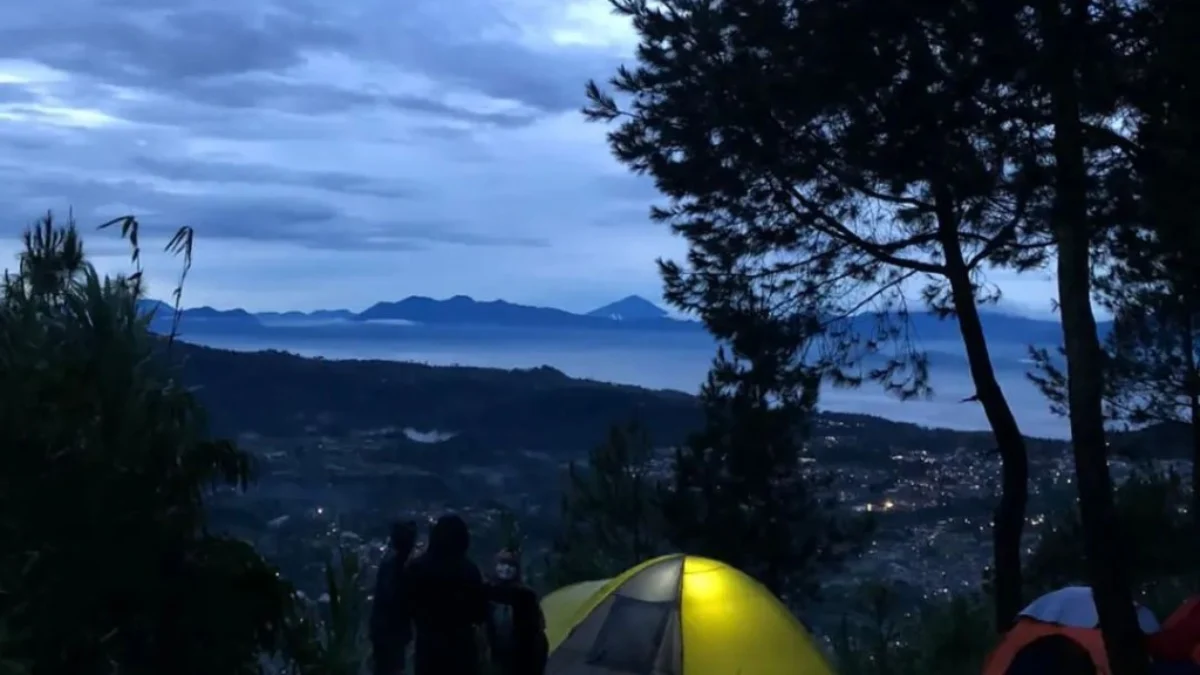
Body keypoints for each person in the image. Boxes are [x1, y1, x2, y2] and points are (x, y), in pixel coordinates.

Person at [405, 514, 490, 675]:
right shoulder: (469, 570)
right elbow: (480, 613)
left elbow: (407, 607)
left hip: (428, 648)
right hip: (461, 649)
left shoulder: (416, 568)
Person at [486, 549, 548, 675]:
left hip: (522, 654)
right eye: (502, 564)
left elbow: (537, 627)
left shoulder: (526, 595)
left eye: (511, 565)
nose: (506, 569)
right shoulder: (487, 592)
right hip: (496, 652)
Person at [370, 520, 418, 675]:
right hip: (389, 633)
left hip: (388, 632)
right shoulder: (395, 565)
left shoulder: (394, 562)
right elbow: (392, 597)